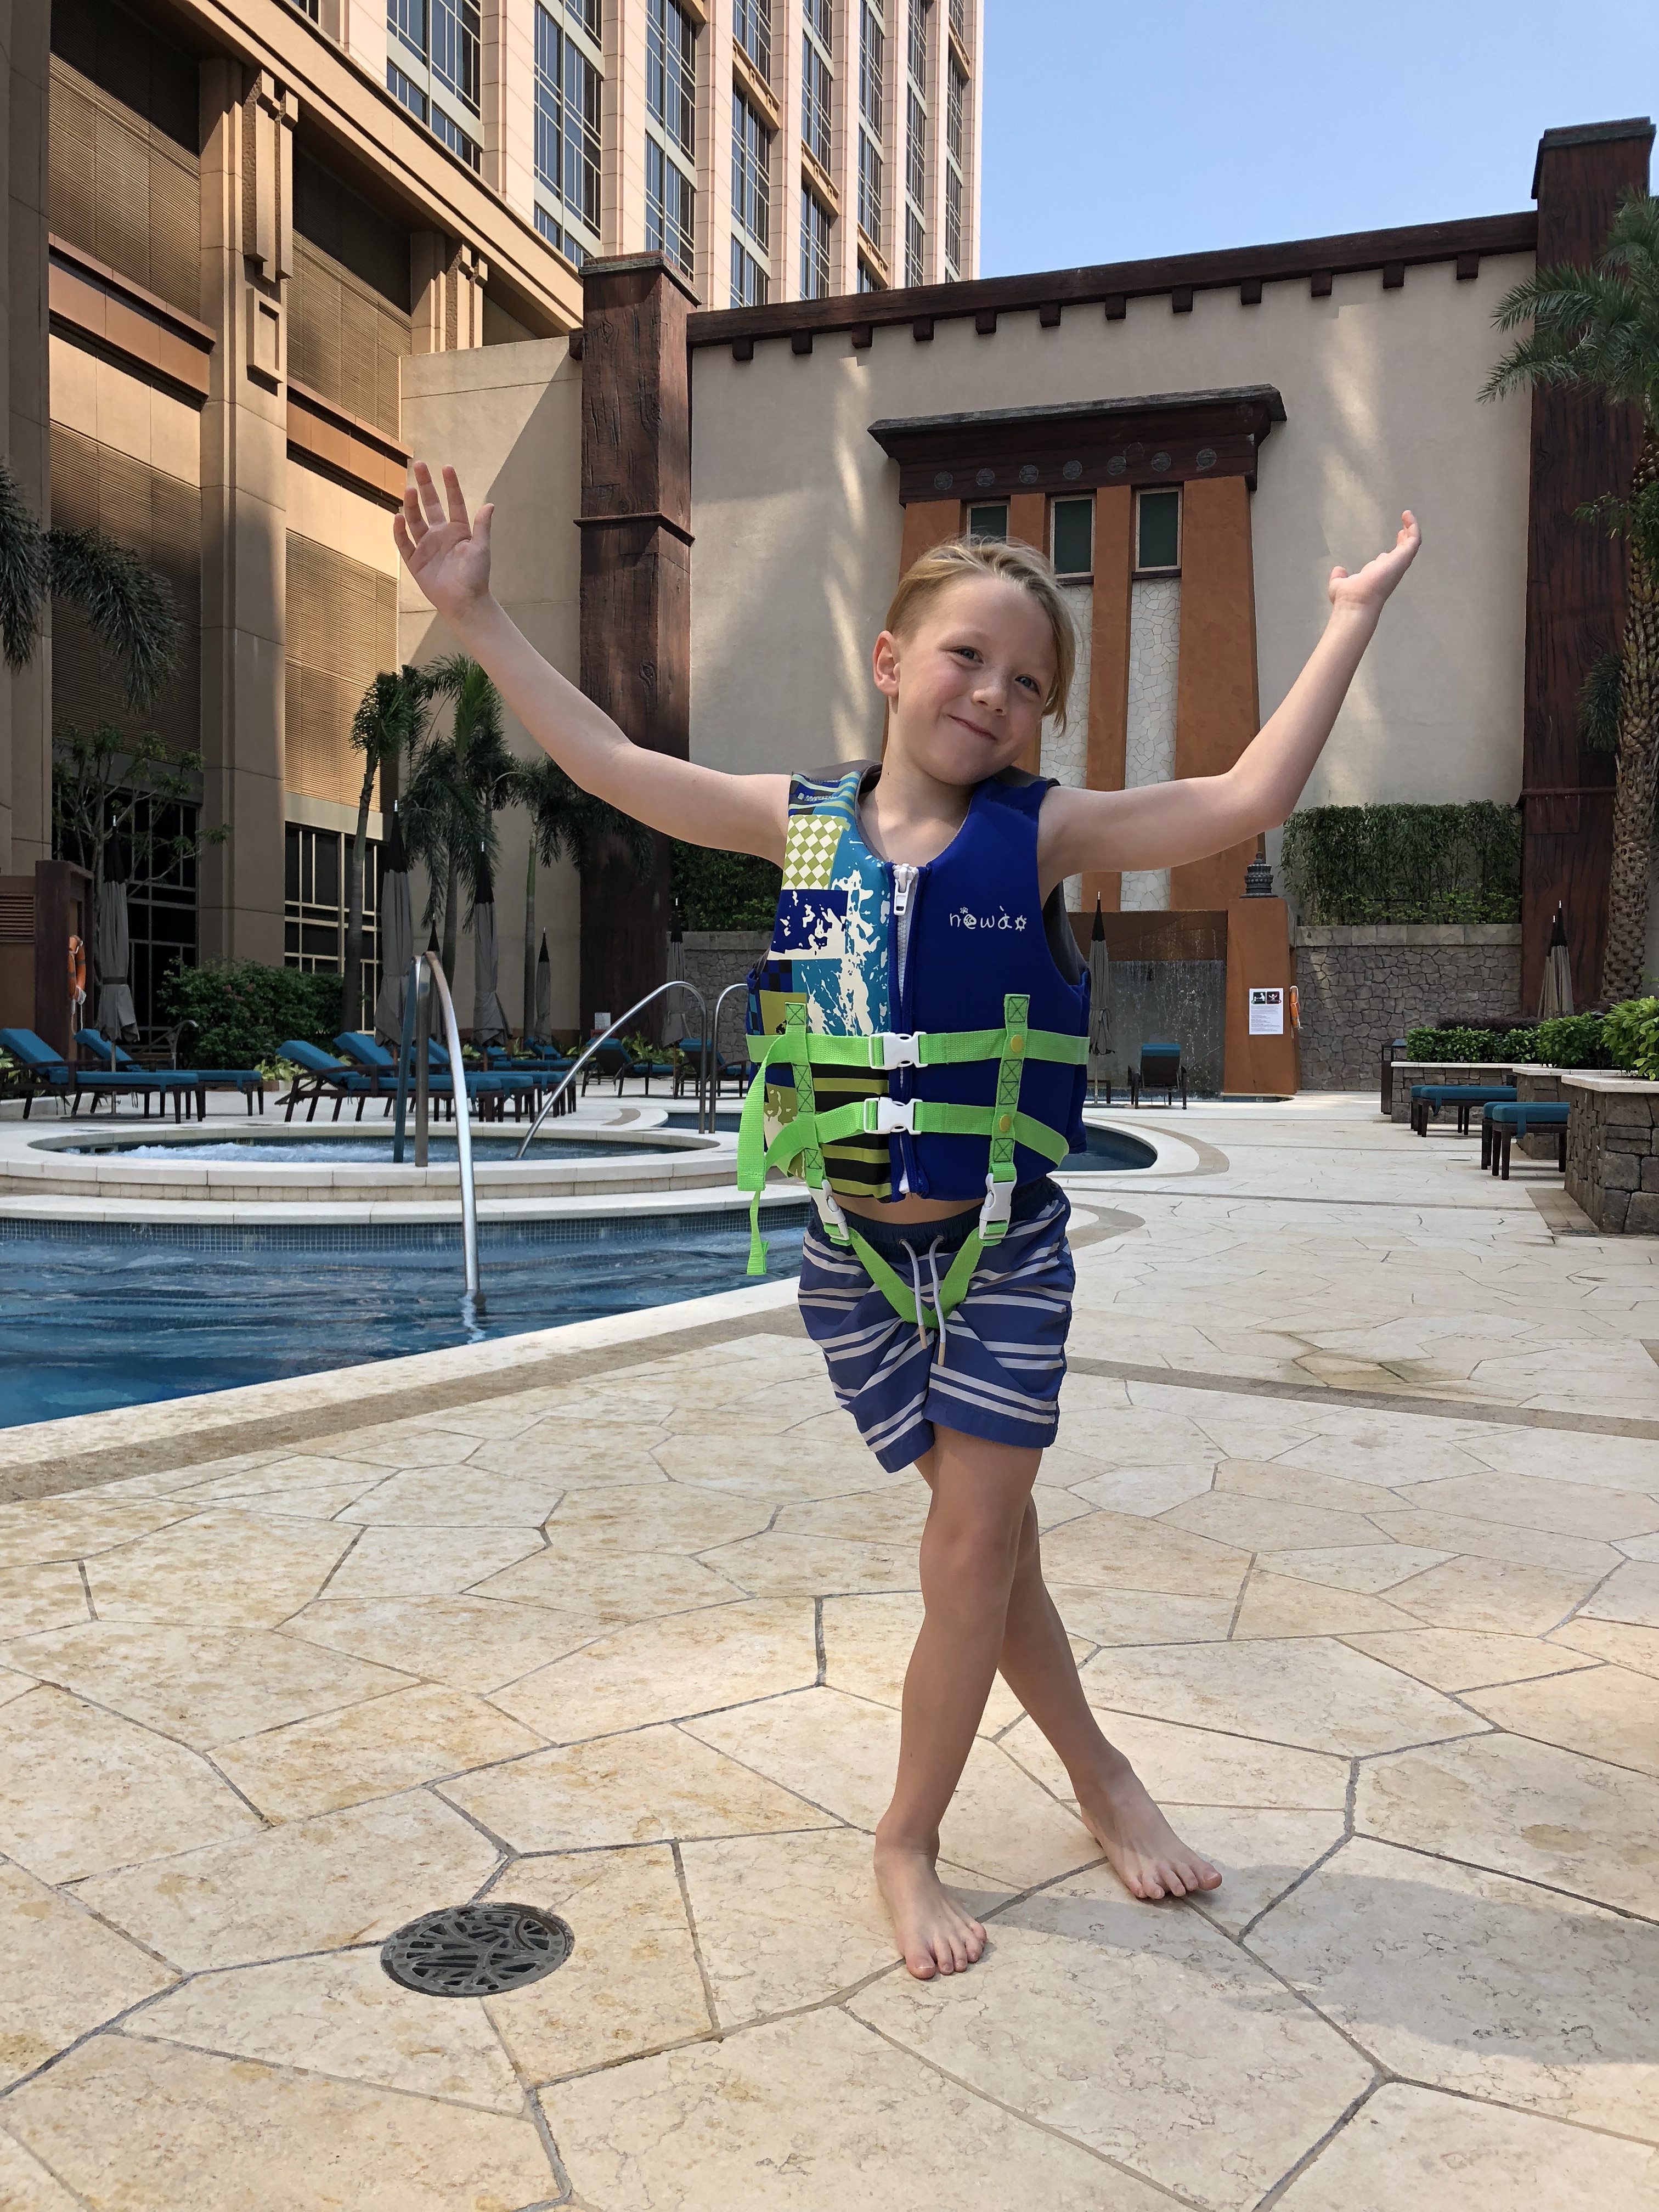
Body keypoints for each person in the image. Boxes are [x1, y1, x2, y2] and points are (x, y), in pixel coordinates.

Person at [395, 461, 1420, 1980]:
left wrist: (1346, 620)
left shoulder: (1044, 833)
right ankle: (1102, 1775)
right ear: (890, 661)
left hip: (999, 1253)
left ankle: (908, 1839)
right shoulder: (799, 825)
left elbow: (1243, 799)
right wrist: (478, 616)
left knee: (972, 1543)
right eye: (966, 657)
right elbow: (610, 762)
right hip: (855, 1268)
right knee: (989, 1554)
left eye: (1028, 683)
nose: (994, 695)